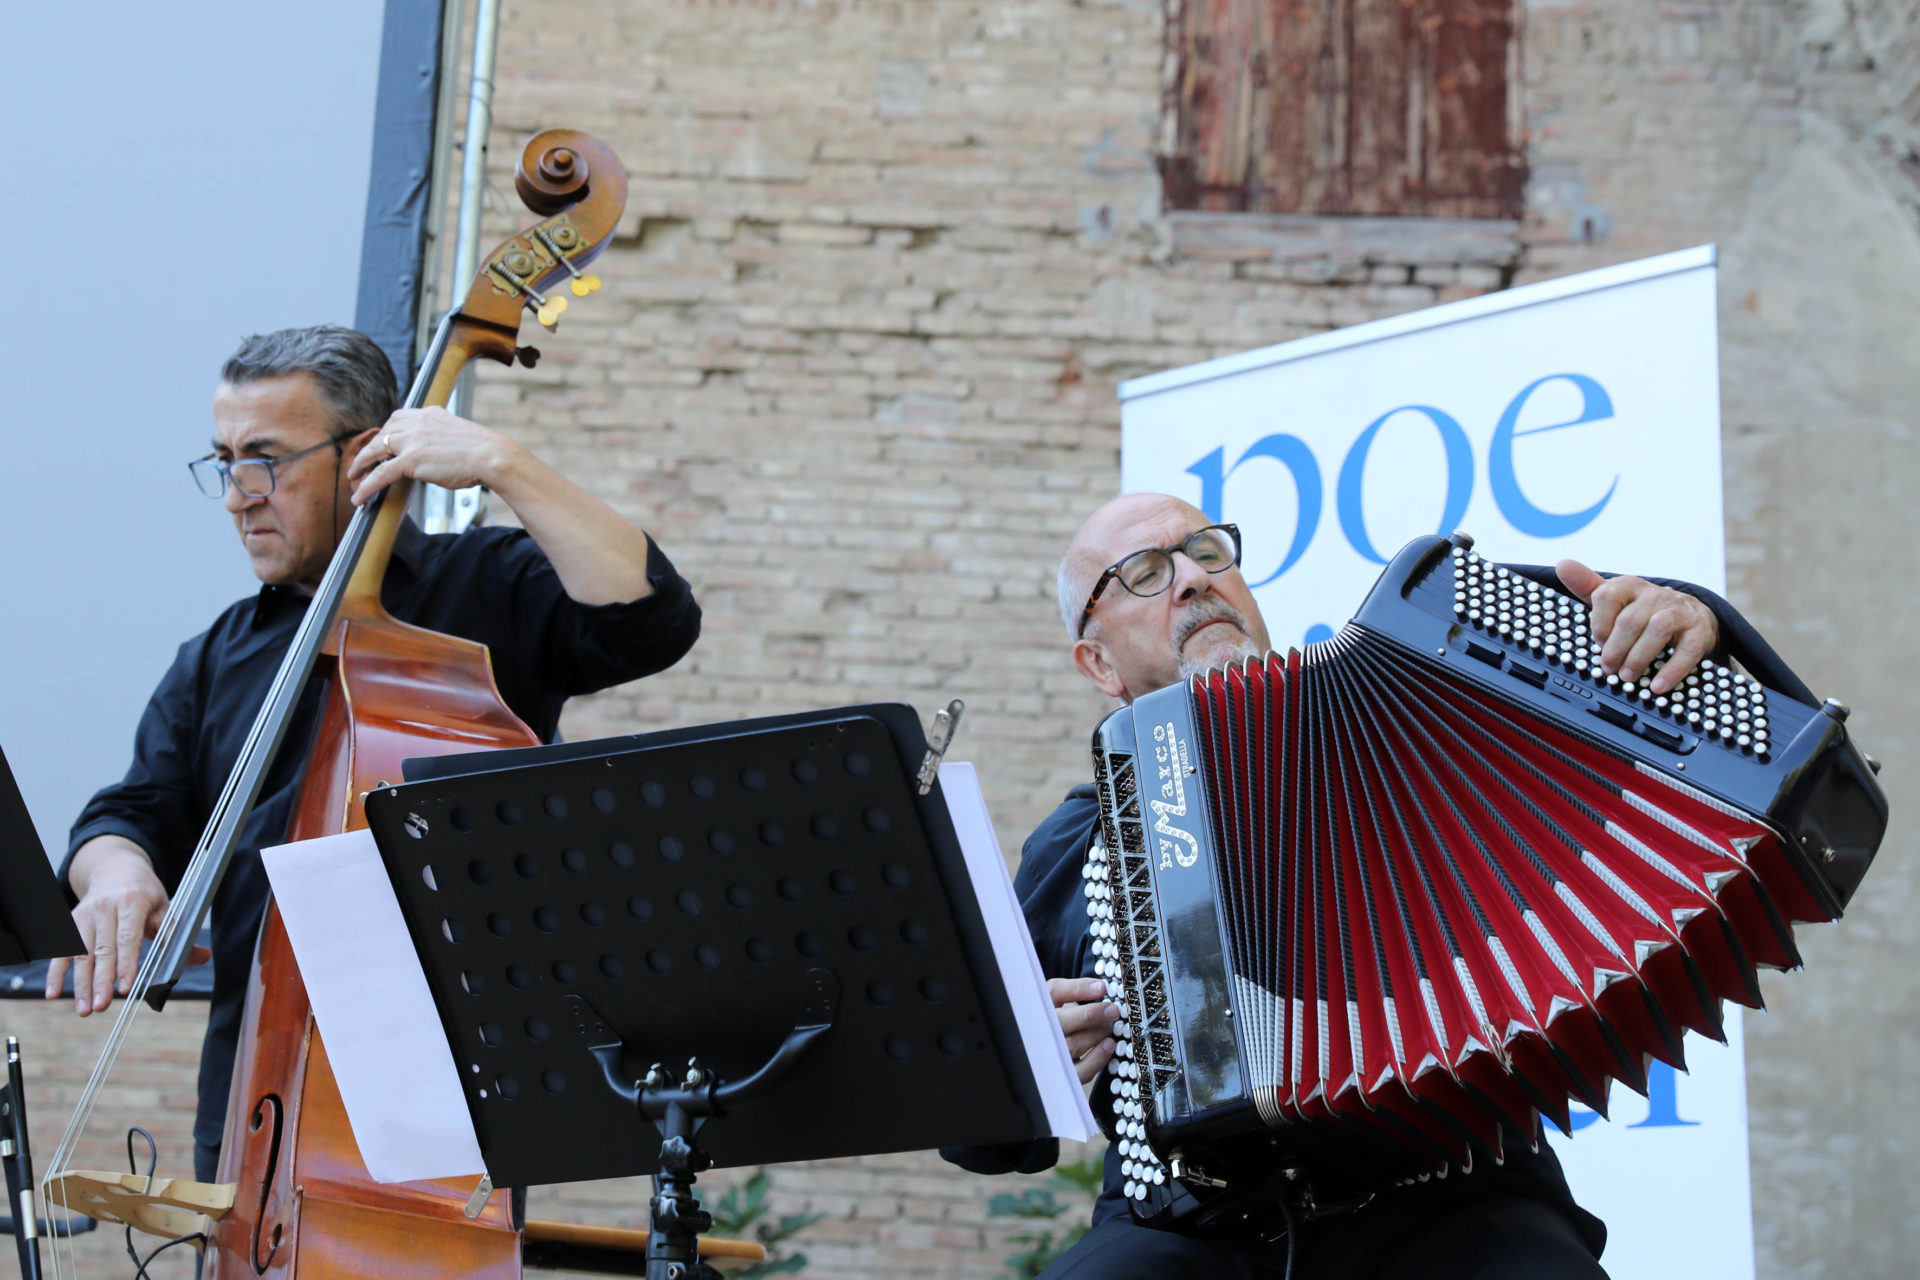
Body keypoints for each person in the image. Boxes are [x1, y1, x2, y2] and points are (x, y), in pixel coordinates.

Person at [948, 491, 1814, 1279]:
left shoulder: (1420, 693)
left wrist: (1685, 624)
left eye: (1208, 550)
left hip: (1451, 1193)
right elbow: (988, 1133)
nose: (1191, 579)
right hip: (1194, 1225)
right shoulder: (1077, 844)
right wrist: (1024, 1072)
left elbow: (1653, 702)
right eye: (1142, 572)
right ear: (1097, 665)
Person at [48, 325, 702, 1182]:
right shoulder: (220, 656)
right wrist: (117, 873)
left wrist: (507, 465)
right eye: (225, 460)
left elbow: (650, 621)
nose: (238, 496)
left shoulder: (487, 588)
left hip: (454, 1097)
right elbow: (130, 814)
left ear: (363, 455)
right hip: (255, 1100)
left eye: (267, 460)